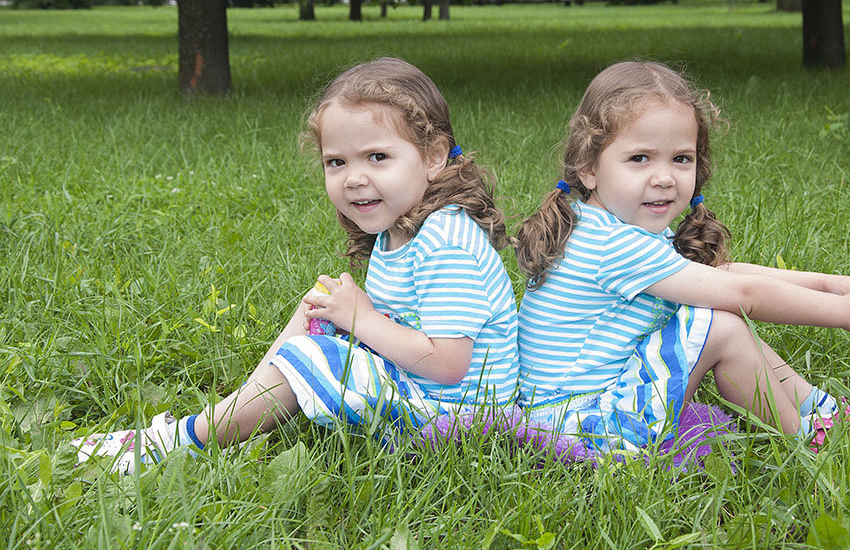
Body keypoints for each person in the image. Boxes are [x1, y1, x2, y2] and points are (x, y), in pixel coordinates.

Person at [73, 57, 520, 474]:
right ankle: (235, 412)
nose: (355, 177)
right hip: (426, 392)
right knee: (320, 304)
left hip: (455, 421)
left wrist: (361, 318)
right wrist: (350, 315)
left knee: (315, 353)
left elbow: (448, 364)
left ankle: (183, 440)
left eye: (377, 157)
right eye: (337, 162)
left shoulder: (447, 242)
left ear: (433, 156)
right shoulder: (403, 226)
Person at [515, 60, 850, 454]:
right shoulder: (612, 245)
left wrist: (826, 284)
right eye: (639, 158)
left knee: (714, 315)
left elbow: (718, 274)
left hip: (574, 415)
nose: (664, 177)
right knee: (719, 326)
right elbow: (742, 294)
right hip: (580, 431)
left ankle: (822, 410)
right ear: (589, 168)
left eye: (681, 158)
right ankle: (811, 448)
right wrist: (844, 313)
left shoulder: (609, 226)